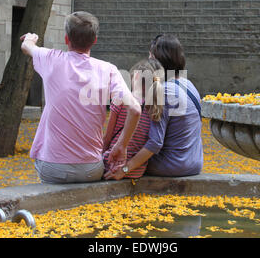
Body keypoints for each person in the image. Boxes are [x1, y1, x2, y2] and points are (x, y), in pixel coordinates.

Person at [20, 11, 141, 184]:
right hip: (91, 168)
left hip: (53, 167)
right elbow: (135, 109)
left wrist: (31, 38)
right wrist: (121, 146)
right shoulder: (108, 70)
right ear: (94, 41)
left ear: (66, 39)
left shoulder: (51, 59)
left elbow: (26, 47)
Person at [104, 34, 203, 180]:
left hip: (170, 165)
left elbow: (155, 143)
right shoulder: (188, 84)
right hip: (194, 162)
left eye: (150, 56)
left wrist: (124, 169)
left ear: (155, 60)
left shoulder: (163, 91)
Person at [102, 58, 165, 179]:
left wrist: (99, 158)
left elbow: (107, 138)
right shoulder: (155, 108)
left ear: (135, 78)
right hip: (136, 170)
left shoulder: (121, 100)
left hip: (111, 164)